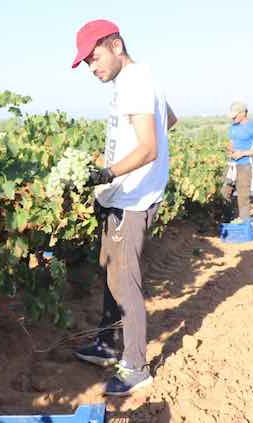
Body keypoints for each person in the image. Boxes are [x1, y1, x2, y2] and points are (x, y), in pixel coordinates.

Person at [70, 19, 177, 396]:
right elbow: (170, 121)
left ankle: (135, 366)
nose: (91, 67)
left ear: (116, 45)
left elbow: (149, 148)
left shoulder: (134, 81)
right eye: (86, 63)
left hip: (133, 200)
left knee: (124, 282)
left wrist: (107, 172)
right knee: (110, 269)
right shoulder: (139, 80)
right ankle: (106, 343)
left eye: (94, 58)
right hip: (125, 194)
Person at [220, 101, 253, 222]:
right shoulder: (233, 127)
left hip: (244, 165)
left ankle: (244, 223)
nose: (233, 118)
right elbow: (231, 144)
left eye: (235, 115)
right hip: (231, 164)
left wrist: (243, 153)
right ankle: (227, 221)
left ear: (243, 113)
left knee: (243, 196)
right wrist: (229, 151)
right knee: (224, 192)